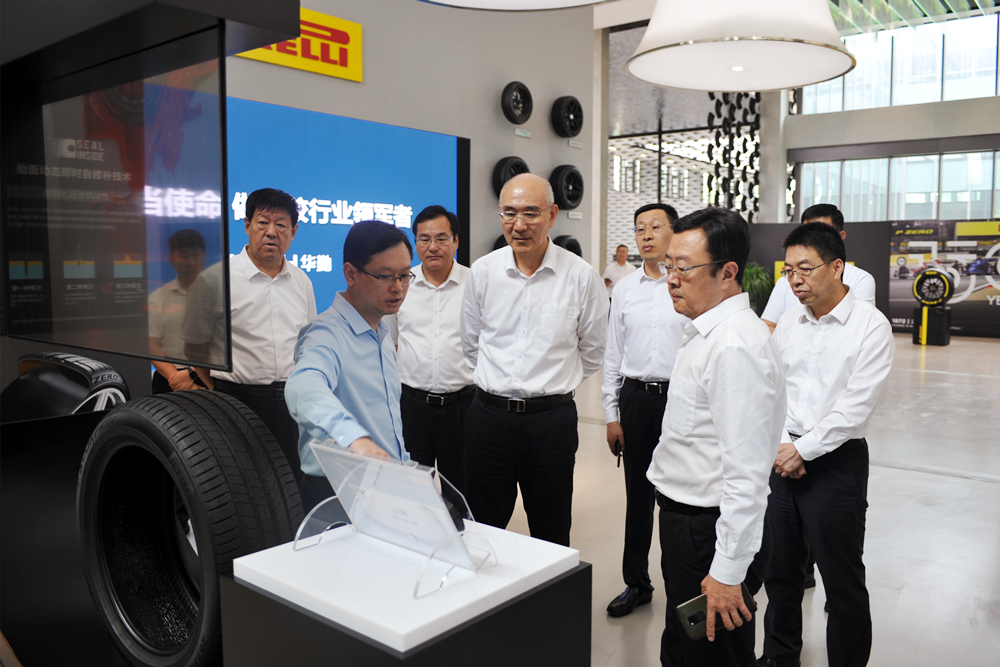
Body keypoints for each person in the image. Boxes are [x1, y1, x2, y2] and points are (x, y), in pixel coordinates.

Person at [647, 207, 786, 667]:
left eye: (684, 268)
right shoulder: (708, 331)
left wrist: (727, 571)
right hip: (688, 524)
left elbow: (747, 475)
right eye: (668, 265)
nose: (671, 279)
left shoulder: (734, 346)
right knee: (684, 648)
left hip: (709, 532)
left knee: (714, 656)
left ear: (727, 273)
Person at [757, 223, 894, 667]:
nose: (794, 280)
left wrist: (803, 450)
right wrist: (784, 445)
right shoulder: (789, 323)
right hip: (782, 459)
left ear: (837, 268)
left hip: (837, 463)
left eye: (805, 269)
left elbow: (856, 407)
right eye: (788, 271)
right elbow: (771, 388)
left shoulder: (870, 327)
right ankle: (780, 656)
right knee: (780, 571)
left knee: (841, 579)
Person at [461, 173, 608, 547]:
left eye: (530, 213)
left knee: (551, 530)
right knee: (480, 529)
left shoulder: (581, 277)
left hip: (550, 424)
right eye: (509, 213)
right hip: (487, 419)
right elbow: (470, 343)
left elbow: (593, 351)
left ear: (552, 215)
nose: (519, 224)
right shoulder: (483, 272)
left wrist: (550, 383)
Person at [191, 188, 316, 485]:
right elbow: (194, 347)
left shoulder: (302, 281)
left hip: (290, 403)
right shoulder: (215, 279)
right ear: (247, 225)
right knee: (239, 484)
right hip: (236, 400)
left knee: (289, 484)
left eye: (281, 225)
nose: (271, 232)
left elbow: (308, 342)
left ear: (294, 232)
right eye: (263, 222)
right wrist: (218, 390)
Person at [286, 220, 413, 512]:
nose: (398, 288)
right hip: (338, 489)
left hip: (387, 483)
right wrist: (354, 438)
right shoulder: (325, 333)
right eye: (385, 277)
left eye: (405, 276)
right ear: (350, 273)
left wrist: (405, 469)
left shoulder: (381, 331)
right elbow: (303, 387)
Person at [602, 203, 687, 618]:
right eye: (640, 229)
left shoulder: (688, 283)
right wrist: (611, 414)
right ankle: (637, 583)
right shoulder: (624, 289)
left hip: (682, 399)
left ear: (674, 232)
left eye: (656, 227)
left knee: (679, 498)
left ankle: (683, 585)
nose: (647, 235)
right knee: (637, 499)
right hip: (635, 400)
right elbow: (613, 353)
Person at [386, 205, 474, 493]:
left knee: (461, 491)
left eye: (441, 238)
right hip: (412, 406)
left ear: (456, 241)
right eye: (424, 239)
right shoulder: (399, 285)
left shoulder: (475, 284)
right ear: (415, 243)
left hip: (463, 407)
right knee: (412, 490)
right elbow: (391, 342)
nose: (432, 247)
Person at [761, 204, 875, 334]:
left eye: (820, 233)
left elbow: (857, 330)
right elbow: (768, 325)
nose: (796, 281)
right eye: (806, 232)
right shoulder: (786, 282)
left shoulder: (861, 280)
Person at [149, 229, 207, 393]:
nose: (191, 262)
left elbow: (223, 346)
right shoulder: (158, 298)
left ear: (203, 257)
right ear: (171, 259)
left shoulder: (219, 294)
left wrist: (190, 374)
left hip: (208, 376)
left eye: (196, 255)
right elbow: (153, 346)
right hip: (168, 379)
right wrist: (177, 379)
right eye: (184, 256)